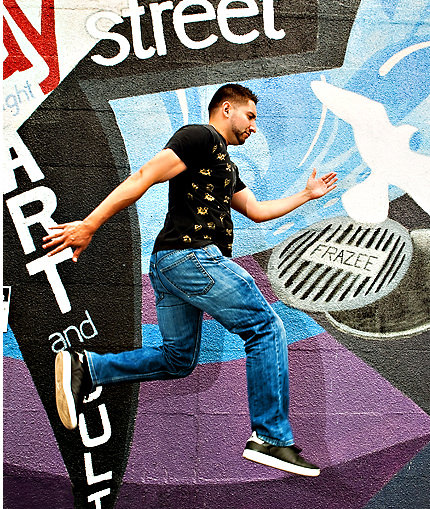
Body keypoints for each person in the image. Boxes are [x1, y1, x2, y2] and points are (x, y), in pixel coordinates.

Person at [45, 83, 338, 477]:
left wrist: (307, 195)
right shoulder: (200, 137)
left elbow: (256, 210)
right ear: (227, 108)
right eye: (250, 116)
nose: (254, 127)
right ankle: (270, 436)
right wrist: (90, 224)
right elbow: (145, 175)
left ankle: (87, 368)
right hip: (190, 256)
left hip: (171, 266)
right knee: (265, 327)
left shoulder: (223, 165)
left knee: (178, 359)